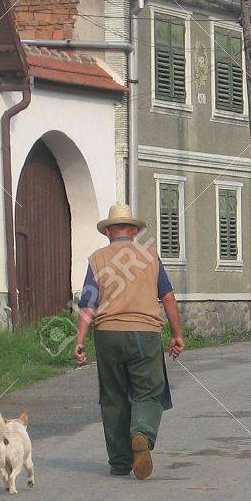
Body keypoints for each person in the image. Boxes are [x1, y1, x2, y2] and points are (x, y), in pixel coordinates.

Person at [72, 204, 184, 480]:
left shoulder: (97, 259)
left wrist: (80, 341)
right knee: (149, 391)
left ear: (108, 231)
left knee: (113, 396)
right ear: (133, 230)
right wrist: (177, 334)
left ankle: (120, 461)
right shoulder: (150, 256)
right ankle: (142, 434)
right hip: (145, 334)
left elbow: (88, 305)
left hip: (107, 334)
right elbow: (167, 297)